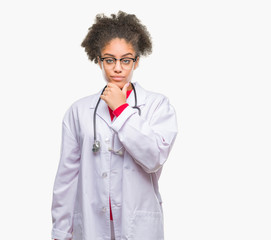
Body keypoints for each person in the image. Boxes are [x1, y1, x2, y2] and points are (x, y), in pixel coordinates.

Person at [51, 11, 178, 240]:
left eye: (126, 60)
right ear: (98, 60)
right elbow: (66, 178)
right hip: (91, 224)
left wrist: (121, 110)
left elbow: (154, 157)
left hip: (139, 226)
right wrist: (60, 231)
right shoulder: (78, 111)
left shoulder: (157, 105)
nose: (118, 68)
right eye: (109, 60)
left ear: (136, 61)